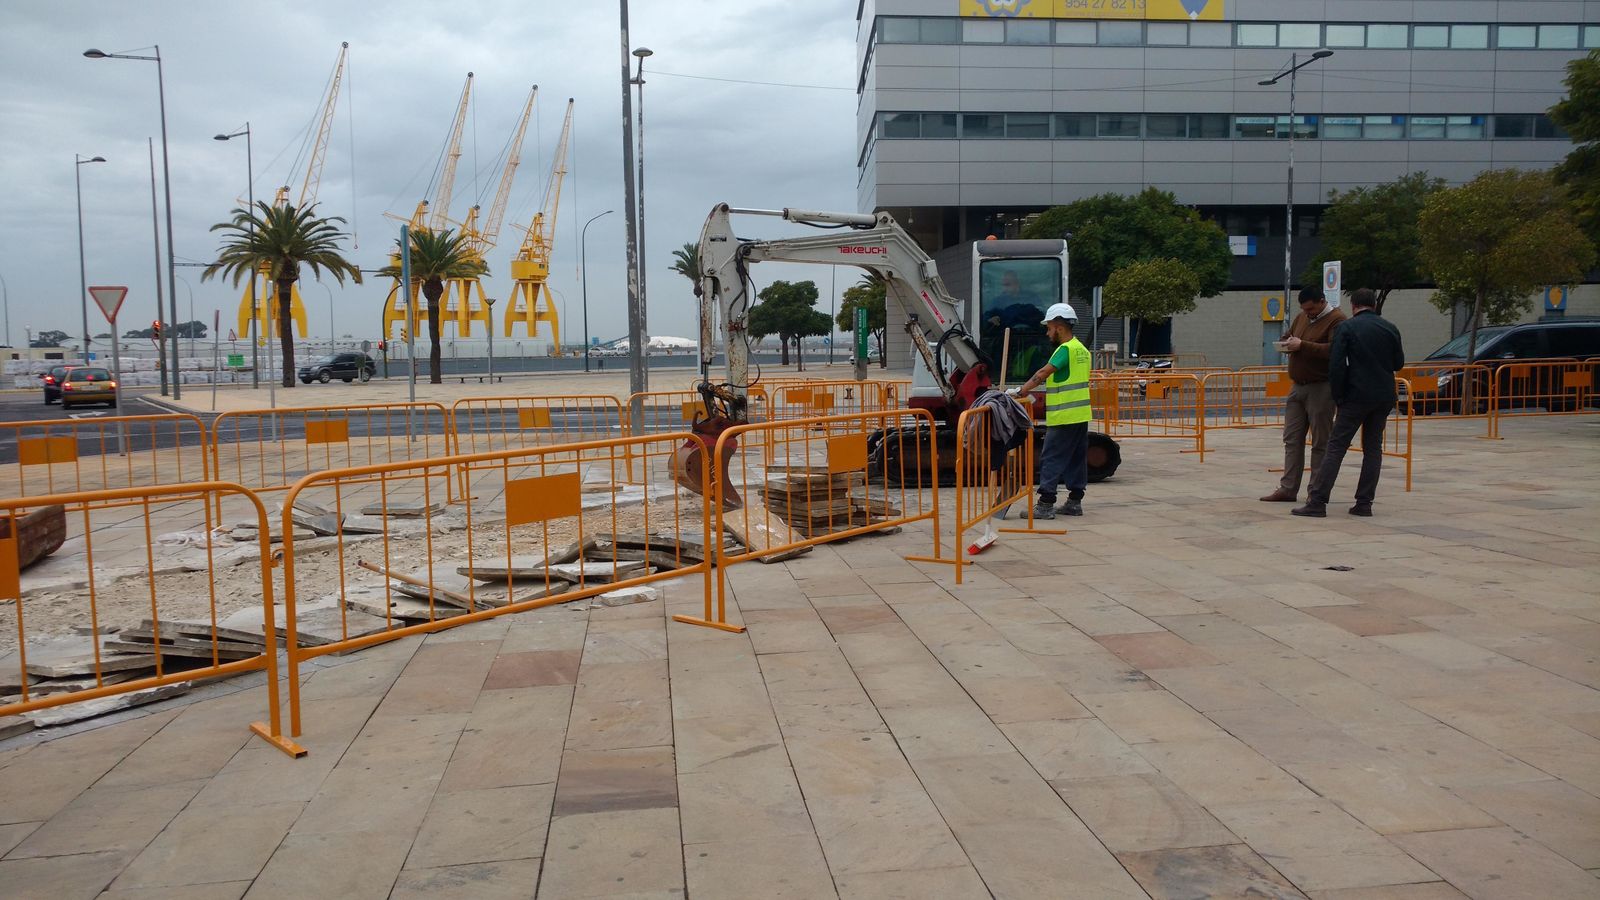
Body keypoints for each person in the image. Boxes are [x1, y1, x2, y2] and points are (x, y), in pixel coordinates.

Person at [1293, 288, 1405, 518]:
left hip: (1355, 396)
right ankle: (1364, 503)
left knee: (1336, 447)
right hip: (1383, 396)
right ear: (1373, 304)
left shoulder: (1346, 327)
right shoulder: (1390, 328)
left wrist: (1339, 395)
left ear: (1353, 306)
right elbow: (1398, 363)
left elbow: (1336, 366)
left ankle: (1318, 502)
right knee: (1373, 449)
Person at [1260, 286, 1346, 503]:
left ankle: (1315, 492)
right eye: (1304, 310)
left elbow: (1335, 350)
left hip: (1321, 387)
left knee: (1320, 441)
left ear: (1321, 301)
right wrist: (1286, 341)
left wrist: (1303, 345)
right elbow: (1293, 336)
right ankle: (1288, 488)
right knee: (1292, 438)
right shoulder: (1301, 317)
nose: (1308, 313)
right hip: (1297, 386)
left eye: (1311, 309)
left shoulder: (1337, 319)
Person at [1010, 302, 1092, 519]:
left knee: (1051, 457)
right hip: (1080, 414)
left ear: (1059, 326)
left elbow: (1044, 372)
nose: (1047, 333)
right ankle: (1075, 502)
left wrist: (1021, 390)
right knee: (1076, 458)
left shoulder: (1064, 350)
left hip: (1064, 416)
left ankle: (1045, 504)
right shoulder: (1082, 350)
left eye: (1049, 328)